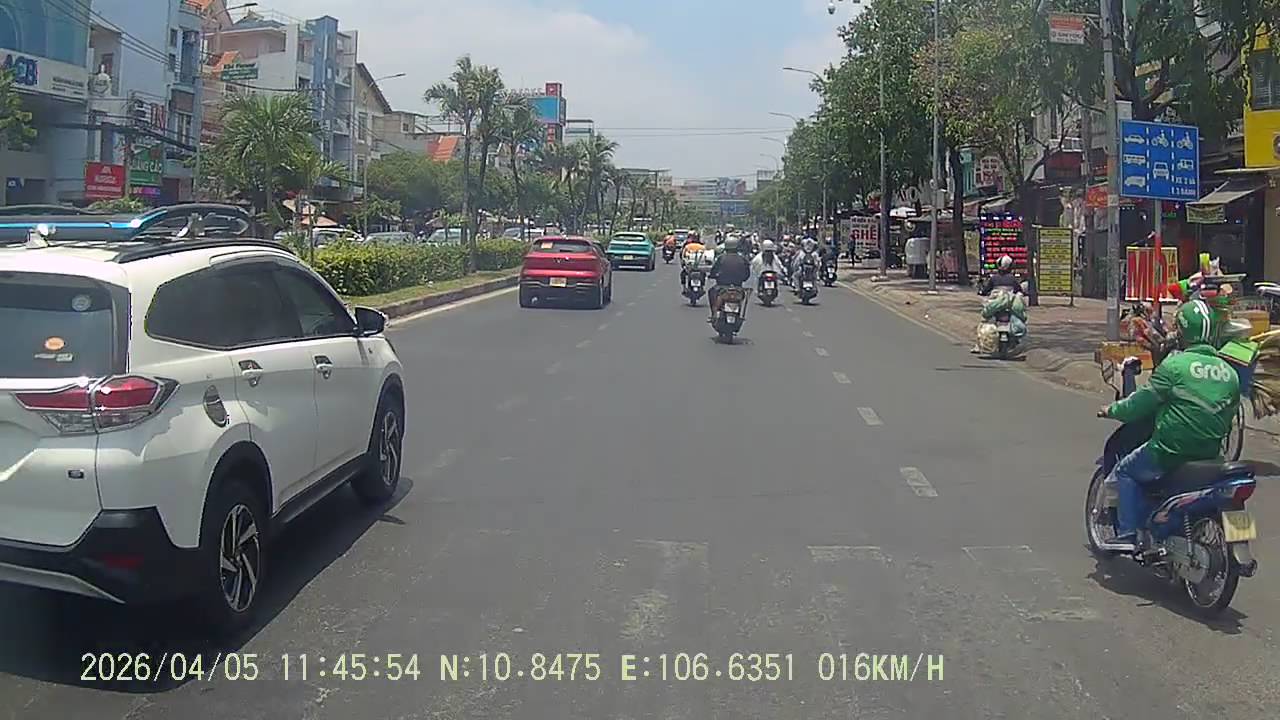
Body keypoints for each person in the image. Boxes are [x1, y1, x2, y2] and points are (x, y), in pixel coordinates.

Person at [1099, 299, 1243, 549]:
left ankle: (1128, 533)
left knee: (1125, 472)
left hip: (1168, 451)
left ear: (1184, 331)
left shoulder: (1174, 366)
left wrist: (1112, 410)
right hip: (1210, 455)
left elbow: (1139, 404)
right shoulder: (1229, 373)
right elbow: (1229, 417)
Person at [708, 235, 751, 320]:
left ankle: (714, 314)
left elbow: (713, 271)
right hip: (738, 287)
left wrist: (713, 276)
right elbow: (747, 274)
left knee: (711, 292)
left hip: (722, 287)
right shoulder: (742, 259)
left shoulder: (721, 258)